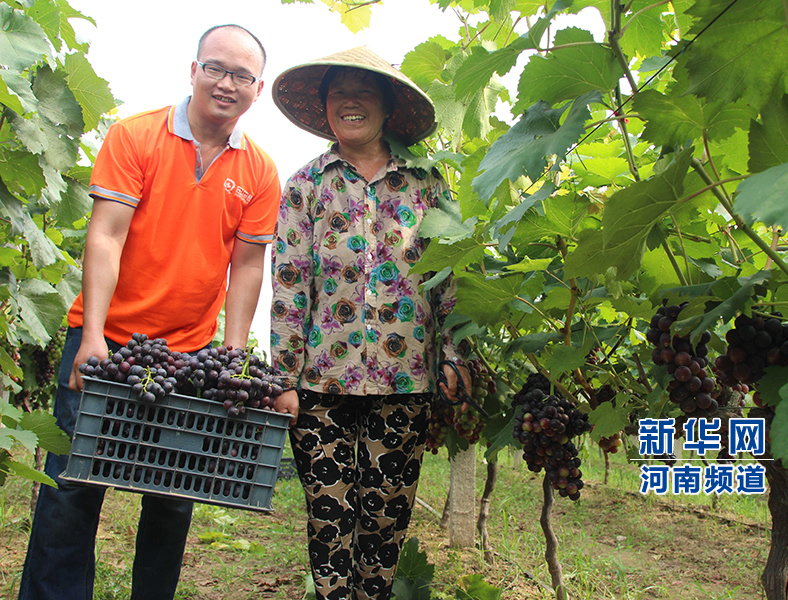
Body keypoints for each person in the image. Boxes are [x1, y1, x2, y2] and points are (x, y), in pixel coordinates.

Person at [18, 24, 281, 600]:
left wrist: (233, 356)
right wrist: (92, 336)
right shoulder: (136, 137)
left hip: (187, 355)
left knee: (172, 494)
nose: (226, 83)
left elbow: (249, 268)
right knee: (72, 487)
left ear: (256, 89)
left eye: (241, 75)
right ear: (193, 70)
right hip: (107, 344)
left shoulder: (259, 171)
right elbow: (106, 237)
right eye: (216, 67)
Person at [270, 46, 471, 600]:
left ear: (387, 106)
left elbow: (448, 276)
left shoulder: (427, 184)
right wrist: (283, 379)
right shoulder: (306, 184)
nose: (350, 103)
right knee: (329, 512)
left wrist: (455, 355)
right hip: (320, 382)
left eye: (364, 92)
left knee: (386, 516)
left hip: (403, 378)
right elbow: (289, 284)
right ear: (326, 108)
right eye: (339, 93)